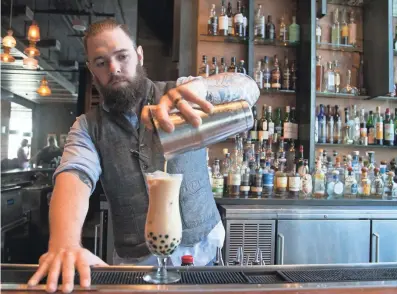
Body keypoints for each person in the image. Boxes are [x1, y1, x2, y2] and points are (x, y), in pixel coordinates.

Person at [28, 19, 259, 293]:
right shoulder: (88, 127)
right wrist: (65, 243)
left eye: (122, 56)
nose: (114, 68)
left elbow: (249, 88)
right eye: (101, 62)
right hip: (136, 272)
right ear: (92, 70)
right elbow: (73, 175)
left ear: (139, 55)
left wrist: (204, 88)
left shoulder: (182, 93)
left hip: (205, 260)